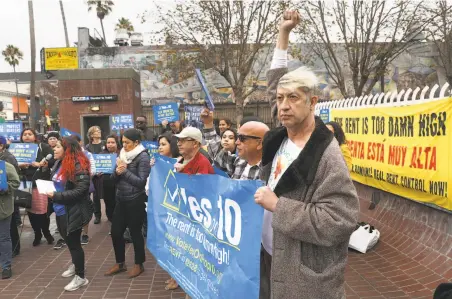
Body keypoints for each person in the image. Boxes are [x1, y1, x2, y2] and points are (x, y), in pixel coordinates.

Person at [255, 10, 359, 299]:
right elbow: (277, 81)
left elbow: (340, 220)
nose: (283, 106)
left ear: (313, 102)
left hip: (302, 274)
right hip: (270, 252)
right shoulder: (282, 133)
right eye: (279, 99)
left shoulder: (326, 154)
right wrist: (283, 33)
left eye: (293, 98)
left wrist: (278, 206)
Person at [47, 138, 92, 291]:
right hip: (60, 210)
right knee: (68, 241)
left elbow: (81, 191)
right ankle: (75, 264)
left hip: (73, 211)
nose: (54, 148)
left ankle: (81, 277)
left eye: (57, 146)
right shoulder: (59, 163)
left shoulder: (78, 165)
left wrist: (56, 196)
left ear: (67, 150)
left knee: (74, 244)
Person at [105, 128, 150, 279]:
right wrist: (117, 172)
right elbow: (113, 179)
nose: (124, 145)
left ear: (136, 142)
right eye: (122, 142)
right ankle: (120, 263)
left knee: (135, 232)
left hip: (135, 199)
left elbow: (141, 182)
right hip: (121, 198)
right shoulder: (122, 155)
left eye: (127, 142)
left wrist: (124, 171)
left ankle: (139, 264)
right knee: (116, 232)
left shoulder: (142, 157)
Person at [18, 128, 54, 247]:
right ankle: (37, 233)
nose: (27, 136)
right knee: (30, 210)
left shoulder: (43, 147)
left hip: (42, 182)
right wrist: (19, 165)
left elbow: (53, 160)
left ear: (35, 136)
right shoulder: (17, 149)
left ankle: (46, 232)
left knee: (44, 210)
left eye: (30, 134)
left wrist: (41, 164)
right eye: (24, 134)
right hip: (25, 183)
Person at [71, 135, 96, 246]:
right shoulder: (67, 155)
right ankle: (74, 230)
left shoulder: (87, 154)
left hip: (83, 187)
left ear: (80, 142)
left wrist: (82, 176)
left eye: (75, 142)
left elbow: (93, 170)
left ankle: (84, 234)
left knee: (84, 209)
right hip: (70, 187)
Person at [0, 137, 20, 258]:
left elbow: (15, 181)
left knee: (5, 234)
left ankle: (7, 262)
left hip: (4, 205)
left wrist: (4, 187)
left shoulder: (7, 162)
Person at [0, 160, 20, 279]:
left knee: (3, 238)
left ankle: (6, 266)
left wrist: (4, 187)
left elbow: (15, 182)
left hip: (3, 209)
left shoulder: (6, 166)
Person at [85, 126, 104, 225]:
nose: (99, 132)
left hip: (105, 174)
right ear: (91, 135)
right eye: (96, 131)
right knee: (95, 196)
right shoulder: (88, 147)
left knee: (107, 194)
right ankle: (97, 215)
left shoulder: (105, 143)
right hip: (94, 175)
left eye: (99, 130)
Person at [100, 135, 121, 222]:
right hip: (106, 183)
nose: (110, 145)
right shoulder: (101, 155)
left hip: (119, 183)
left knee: (118, 203)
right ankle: (111, 220)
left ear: (117, 143)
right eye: (108, 142)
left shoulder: (122, 154)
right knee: (109, 203)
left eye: (112, 142)